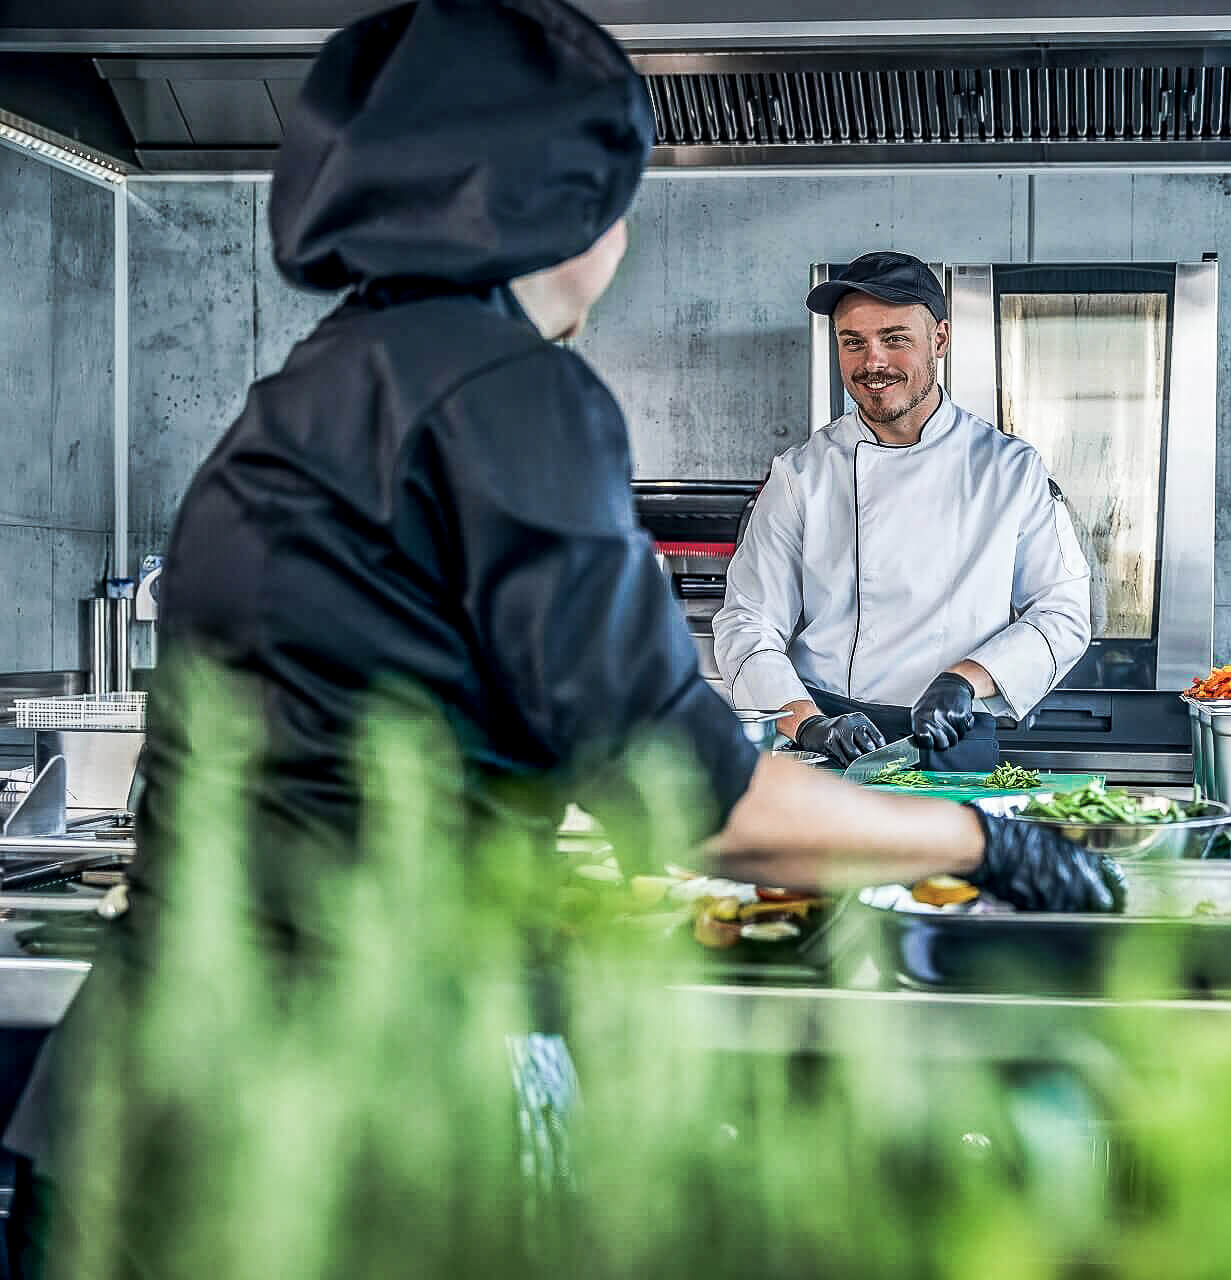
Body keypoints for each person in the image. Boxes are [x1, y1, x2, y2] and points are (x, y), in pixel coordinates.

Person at [1, 2, 1118, 1271]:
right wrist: (984, 838)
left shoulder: (303, 391)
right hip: (350, 1106)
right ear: (557, 205)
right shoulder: (511, 390)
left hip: (139, 1096)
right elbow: (693, 798)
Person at [713, 252, 1092, 770]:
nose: (873, 363)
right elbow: (747, 620)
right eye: (854, 343)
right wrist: (806, 721)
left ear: (939, 340)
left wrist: (967, 677)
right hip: (829, 740)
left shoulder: (1009, 469)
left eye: (895, 339)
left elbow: (1063, 612)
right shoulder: (801, 475)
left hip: (953, 739)